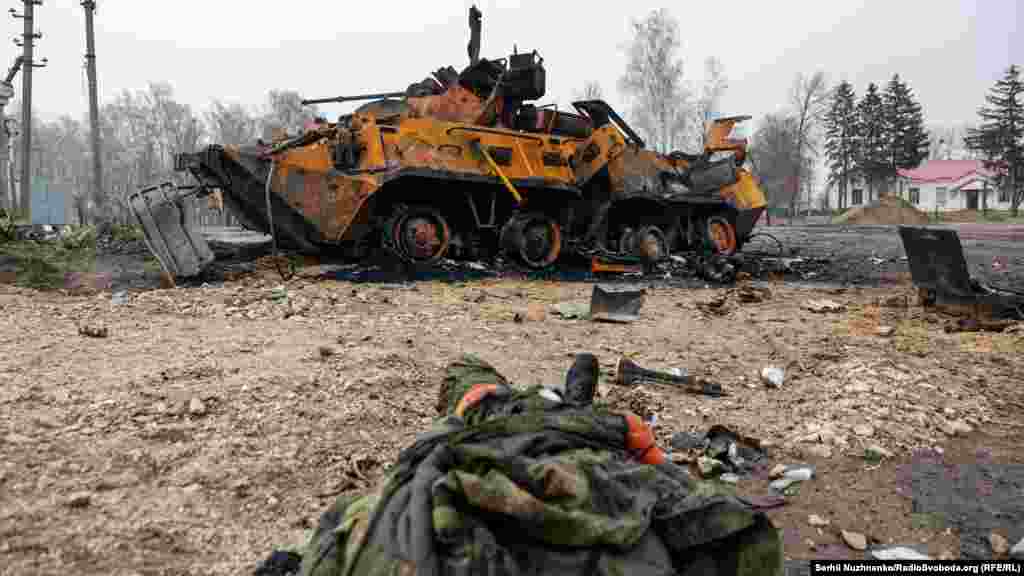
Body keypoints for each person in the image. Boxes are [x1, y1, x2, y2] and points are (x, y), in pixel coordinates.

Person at [255, 354, 783, 576]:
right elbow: (636, 444)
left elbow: (385, 496)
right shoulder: (550, 405)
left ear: (456, 401)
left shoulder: (447, 433)